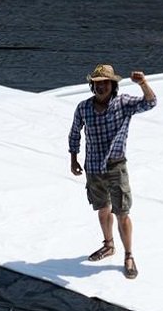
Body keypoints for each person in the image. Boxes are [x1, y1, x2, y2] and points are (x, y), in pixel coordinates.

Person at [67, 64, 157, 282]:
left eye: (105, 83)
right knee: (102, 208)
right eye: (97, 84)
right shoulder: (83, 107)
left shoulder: (123, 103)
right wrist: (73, 158)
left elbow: (150, 102)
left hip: (116, 166)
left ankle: (128, 255)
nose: (101, 87)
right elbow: (74, 132)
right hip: (93, 167)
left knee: (122, 212)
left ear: (113, 85)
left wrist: (143, 83)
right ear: (92, 86)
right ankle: (108, 245)